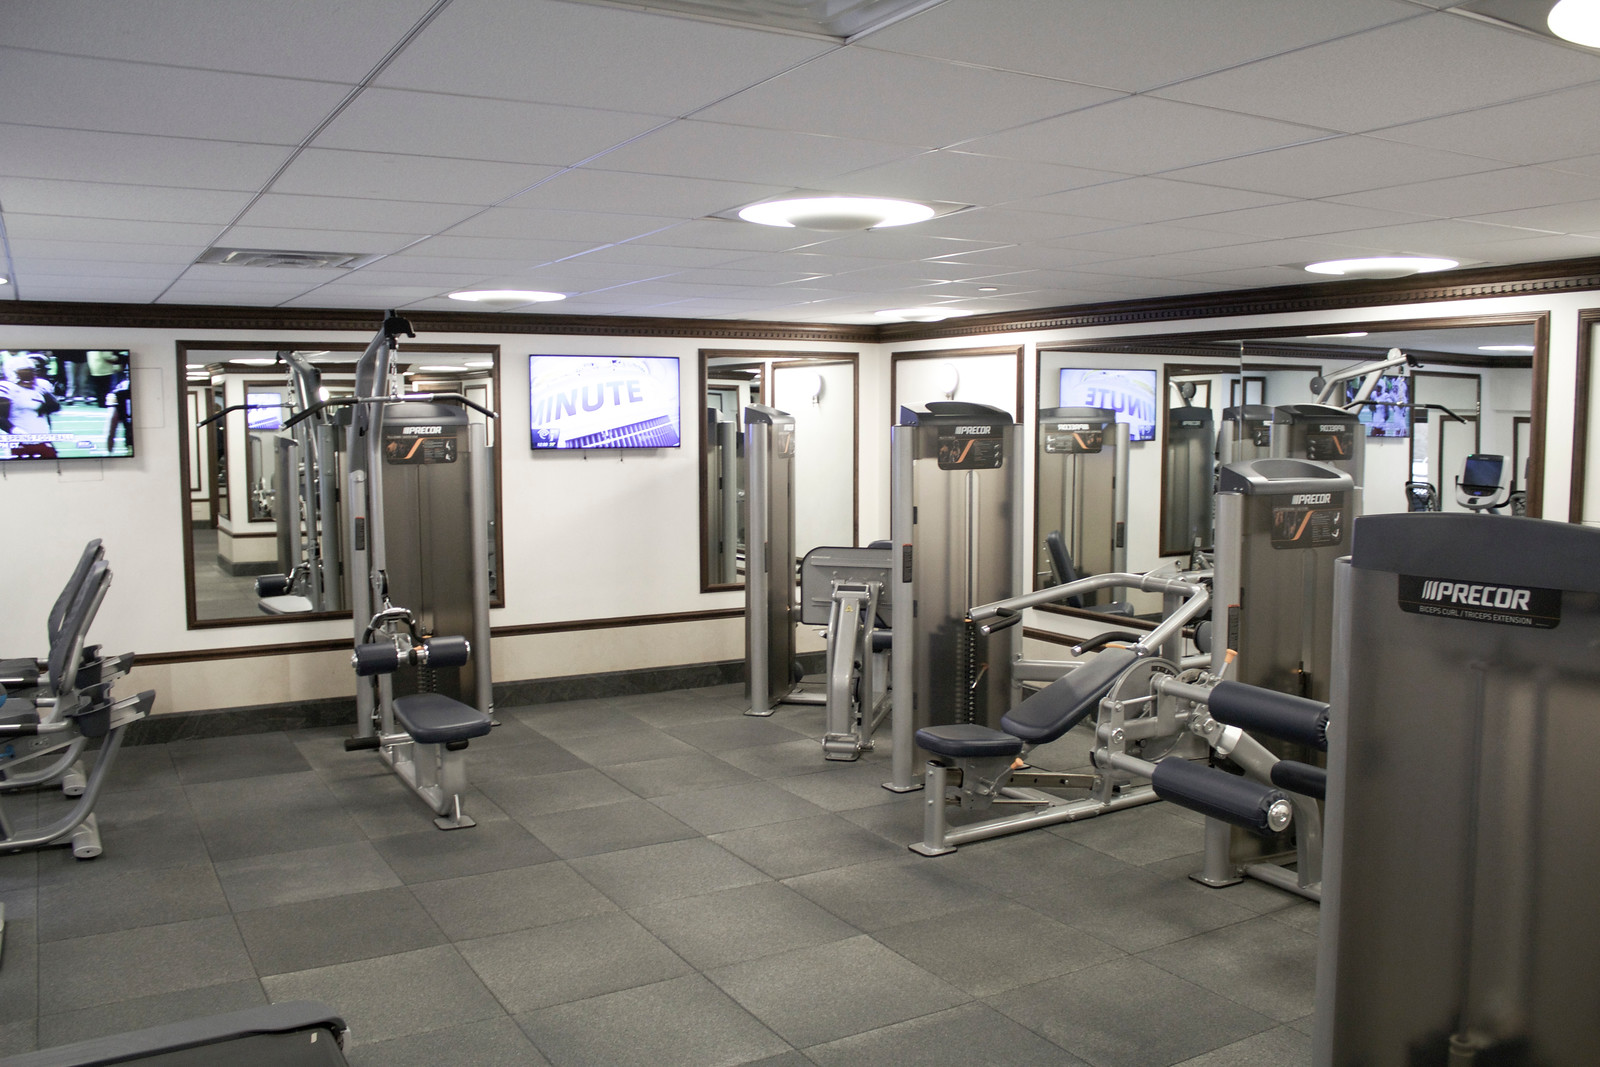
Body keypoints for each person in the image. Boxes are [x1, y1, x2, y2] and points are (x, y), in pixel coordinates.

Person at [0, 353, 61, 458]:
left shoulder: (41, 385)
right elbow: (1, 416)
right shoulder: (7, 388)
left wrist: (44, 393)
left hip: (43, 439)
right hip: (19, 441)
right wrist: (15, 431)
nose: (29, 376)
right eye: (25, 373)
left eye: (31, 372)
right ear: (11, 373)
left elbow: (54, 408)